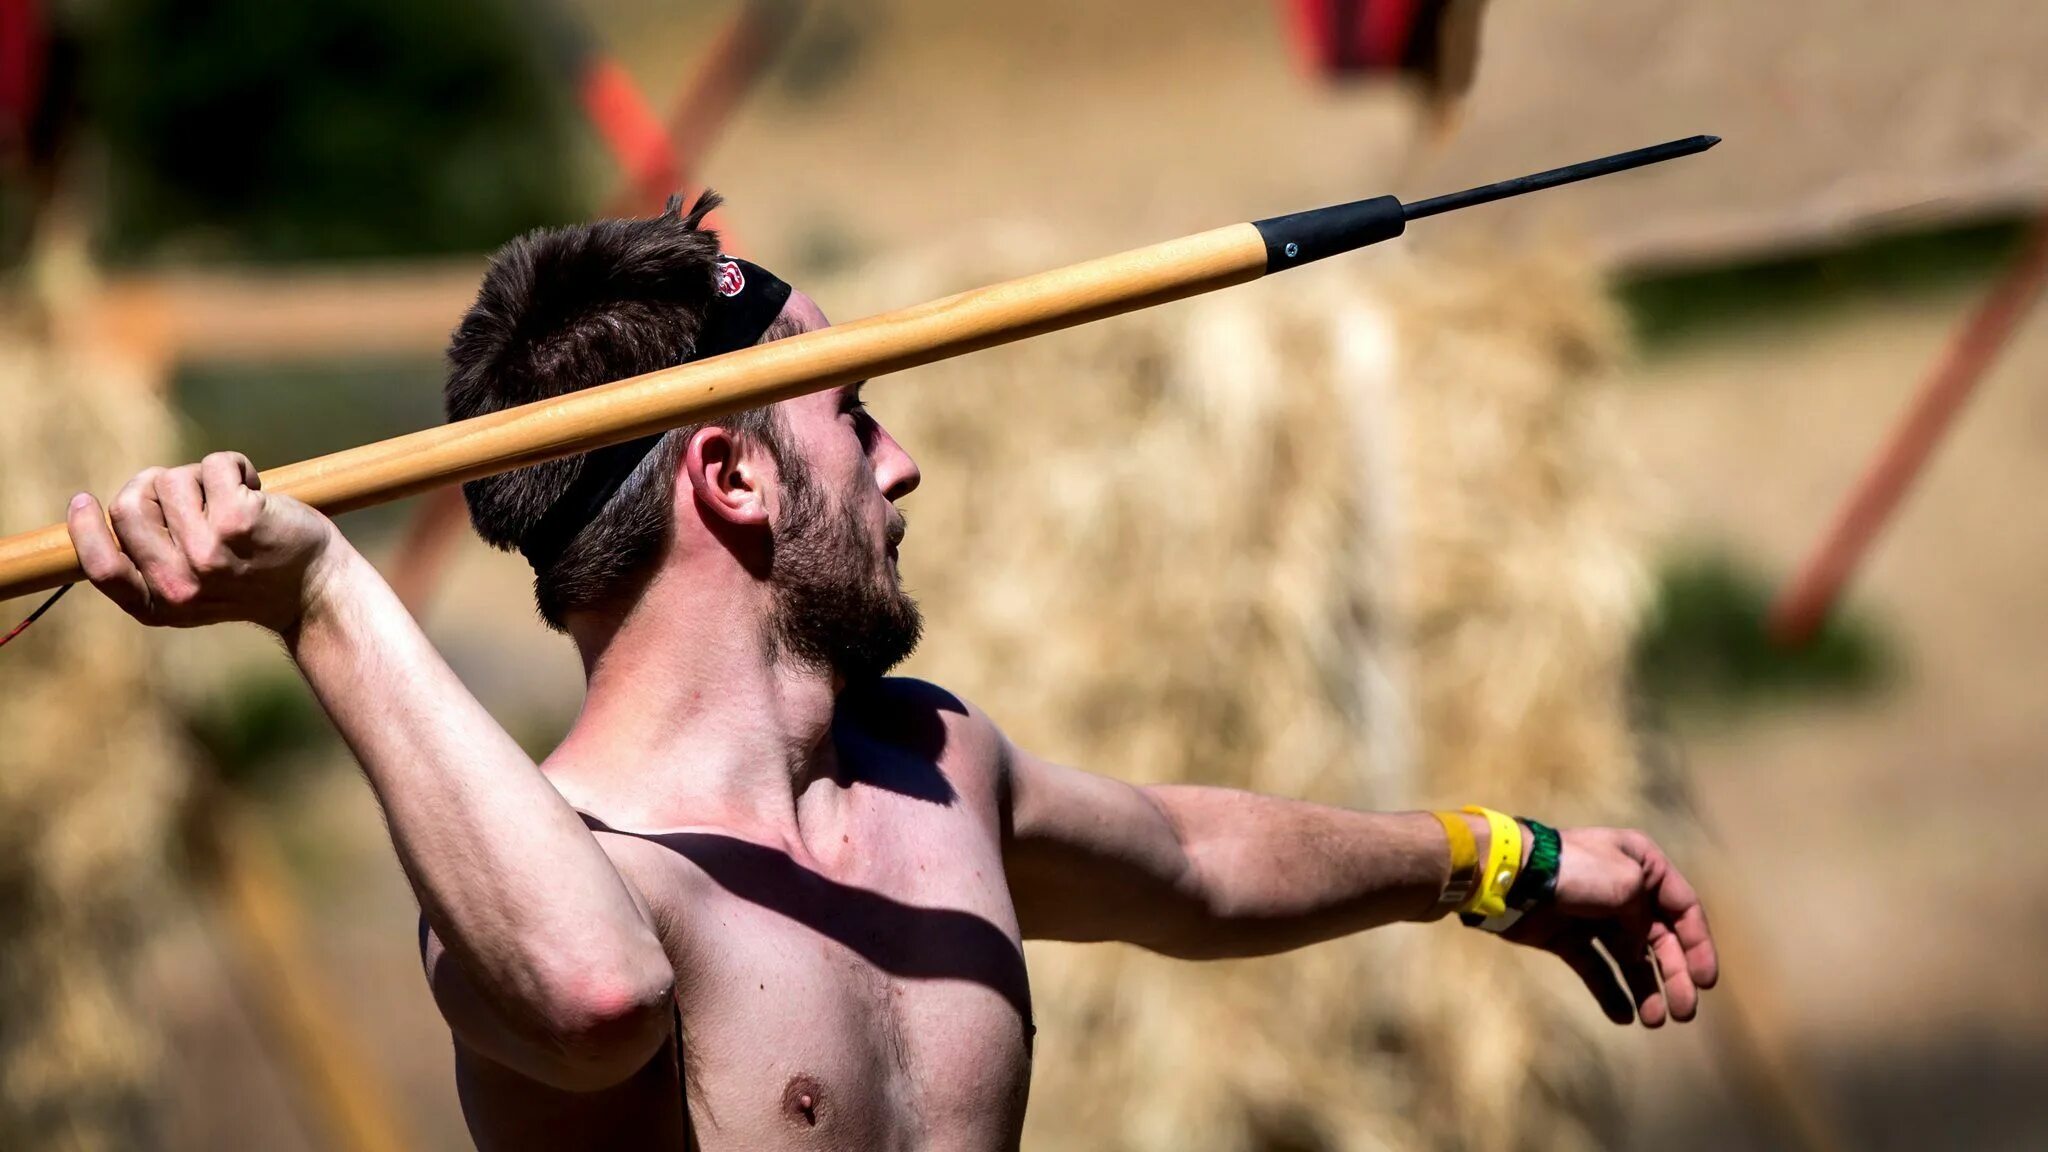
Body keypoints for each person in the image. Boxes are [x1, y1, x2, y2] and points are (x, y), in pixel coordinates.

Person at [65, 193, 1716, 1151]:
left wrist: (1502, 863)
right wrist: (323, 601)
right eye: (855, 423)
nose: (905, 466)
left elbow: (1193, 865)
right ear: (735, 482)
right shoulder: (544, 876)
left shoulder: (933, 768)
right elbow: (595, 999)